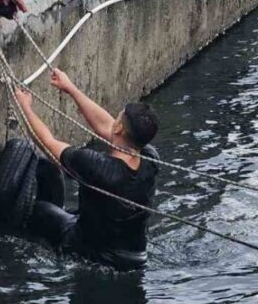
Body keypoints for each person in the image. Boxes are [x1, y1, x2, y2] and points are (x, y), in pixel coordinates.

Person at [16, 68, 160, 270]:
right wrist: (70, 89)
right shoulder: (150, 158)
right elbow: (106, 125)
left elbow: (47, 142)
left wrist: (25, 107)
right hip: (135, 257)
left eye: (117, 118)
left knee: (39, 211)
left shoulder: (95, 165)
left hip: (94, 254)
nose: (113, 121)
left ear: (119, 129)